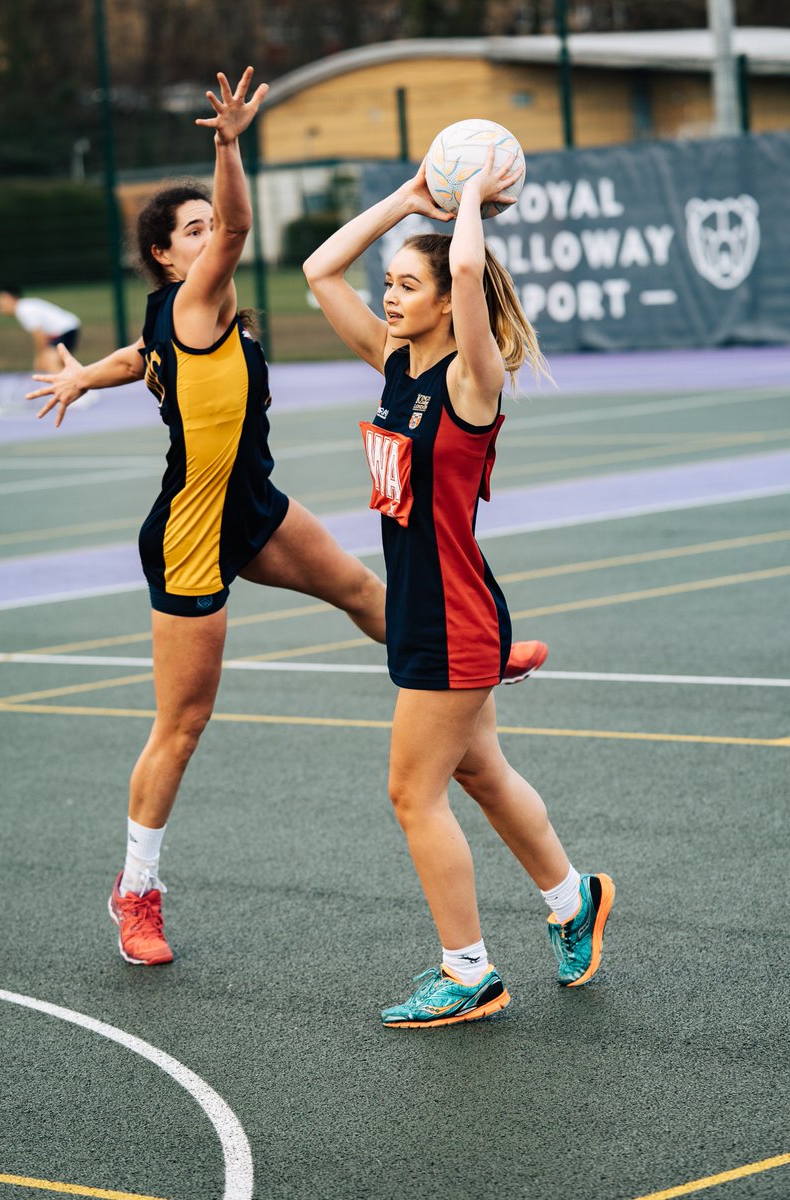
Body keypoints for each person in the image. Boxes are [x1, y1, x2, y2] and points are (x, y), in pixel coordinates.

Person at [27, 68, 548, 970]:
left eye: (206, 224)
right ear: (168, 259)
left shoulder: (191, 317)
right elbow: (236, 227)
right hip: (191, 528)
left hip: (253, 505)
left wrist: (84, 374)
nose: (212, 237)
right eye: (188, 232)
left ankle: (474, 656)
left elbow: (140, 351)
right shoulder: (197, 294)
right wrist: (227, 149)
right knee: (182, 725)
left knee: (357, 586)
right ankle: (136, 889)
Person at [303, 150, 614, 1027]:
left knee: (412, 792)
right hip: (420, 606)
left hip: (454, 615)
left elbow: (470, 262)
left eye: (407, 285)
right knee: (479, 772)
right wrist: (405, 198)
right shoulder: (397, 366)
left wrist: (469, 192)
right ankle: (572, 901)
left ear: (448, 304)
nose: (390, 296)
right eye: (391, 283)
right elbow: (319, 269)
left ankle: (467, 970)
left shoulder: (472, 381)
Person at [0, 286, 82, 374]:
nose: (0, 307)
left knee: (50, 361)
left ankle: (68, 385)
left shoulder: (23, 310)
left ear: (10, 298)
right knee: (55, 362)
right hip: (66, 329)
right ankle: (70, 382)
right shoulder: (25, 307)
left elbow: (39, 336)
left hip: (64, 330)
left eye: (2, 302)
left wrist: (39, 358)